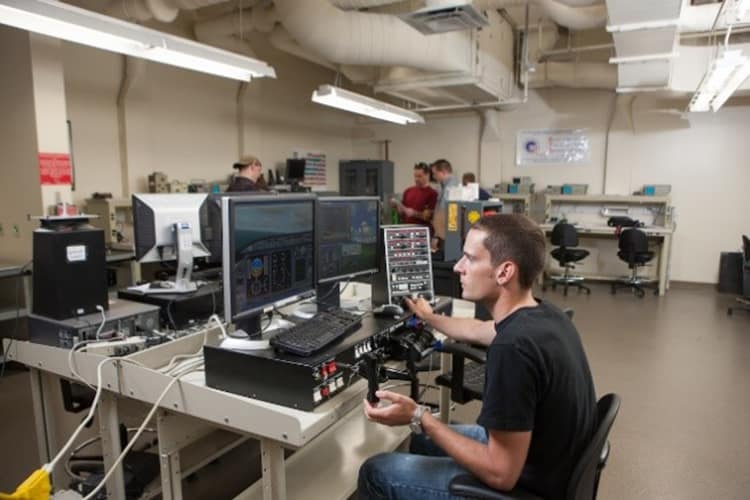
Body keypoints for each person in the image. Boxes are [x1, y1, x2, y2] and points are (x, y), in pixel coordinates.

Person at [358, 213, 597, 500]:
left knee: (376, 470)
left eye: (470, 259)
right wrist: (430, 318)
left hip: (527, 484)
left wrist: (419, 415)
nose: (458, 267)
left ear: (504, 272)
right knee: (422, 440)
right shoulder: (545, 315)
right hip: (545, 456)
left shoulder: (513, 349)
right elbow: (478, 329)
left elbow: (501, 473)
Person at [390, 162, 438, 229]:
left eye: (419, 176)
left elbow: (428, 217)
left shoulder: (433, 193)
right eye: (415, 176)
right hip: (407, 229)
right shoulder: (408, 191)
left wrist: (414, 213)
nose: (416, 179)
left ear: (427, 175)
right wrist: (396, 207)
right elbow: (403, 214)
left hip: (422, 231)